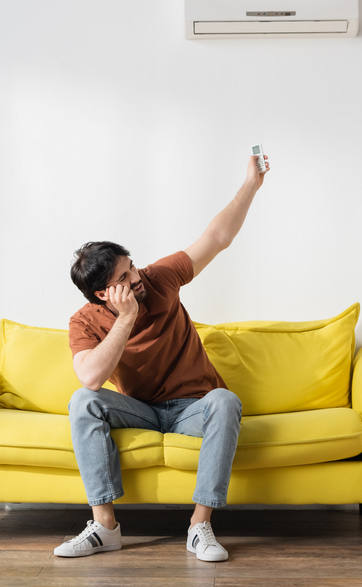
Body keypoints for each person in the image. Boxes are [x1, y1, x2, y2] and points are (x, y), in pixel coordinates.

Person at [53, 153, 270, 562]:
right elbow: (91, 379)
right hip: (142, 410)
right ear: (102, 294)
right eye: (123, 279)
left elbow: (217, 237)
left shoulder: (158, 278)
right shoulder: (85, 321)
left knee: (226, 400)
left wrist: (250, 186)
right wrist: (127, 318)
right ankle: (105, 527)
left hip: (193, 408)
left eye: (131, 267)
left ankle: (199, 526)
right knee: (83, 401)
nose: (136, 278)